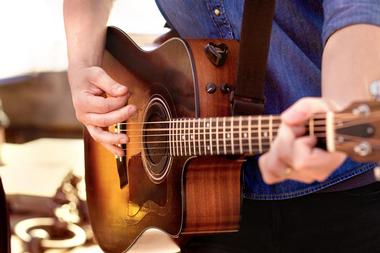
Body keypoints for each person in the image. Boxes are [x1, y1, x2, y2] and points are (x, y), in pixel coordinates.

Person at [64, 1, 380, 252]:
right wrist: (80, 69)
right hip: (204, 203)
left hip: (347, 195)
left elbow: (357, 9)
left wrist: (343, 108)